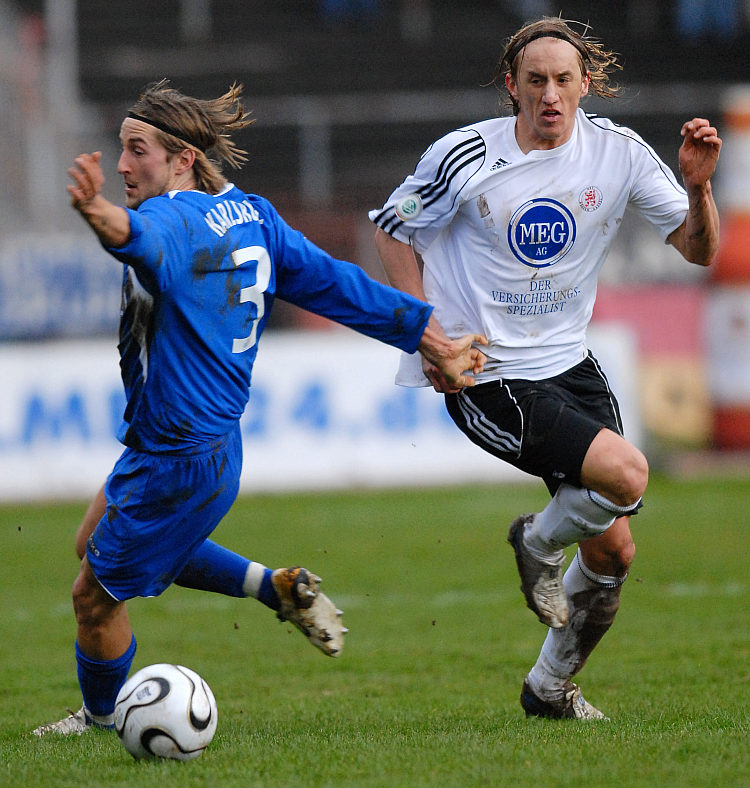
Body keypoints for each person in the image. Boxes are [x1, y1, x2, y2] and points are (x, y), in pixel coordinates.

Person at [33, 79, 486, 736]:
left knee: (93, 599)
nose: (125, 165)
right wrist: (431, 339)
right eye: (121, 150)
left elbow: (138, 238)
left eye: (138, 151)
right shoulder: (254, 215)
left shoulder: (173, 218)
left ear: (183, 157)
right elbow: (339, 286)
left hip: (178, 454)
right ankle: (271, 586)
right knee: (91, 544)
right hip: (197, 443)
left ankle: (101, 721)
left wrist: (97, 214)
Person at [370, 17, 721, 719]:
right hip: (484, 370)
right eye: (536, 81)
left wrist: (699, 190)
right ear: (513, 86)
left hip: (571, 364)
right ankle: (535, 541)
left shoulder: (618, 153)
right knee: (629, 474)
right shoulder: (464, 154)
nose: (551, 94)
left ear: (585, 84)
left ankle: (549, 688)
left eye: (564, 80)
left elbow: (698, 249)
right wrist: (428, 336)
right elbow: (393, 229)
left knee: (615, 551)